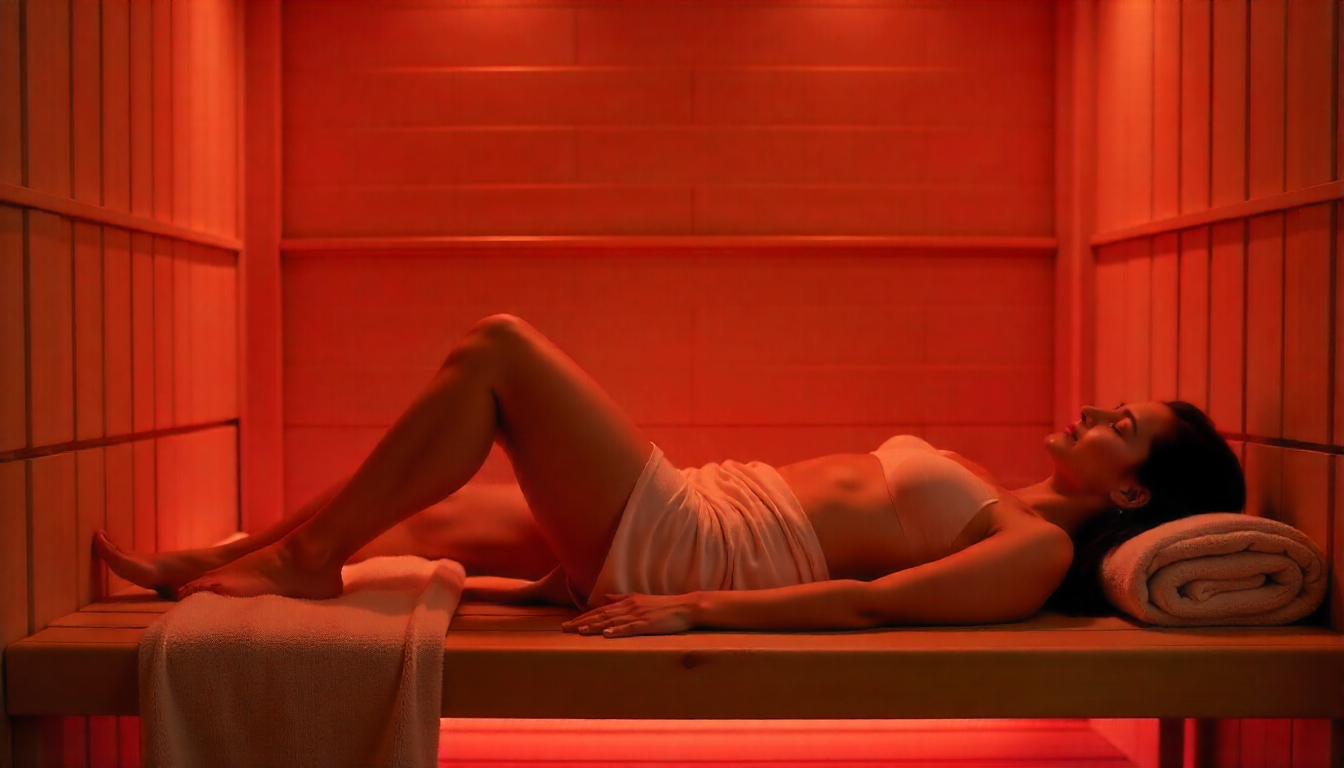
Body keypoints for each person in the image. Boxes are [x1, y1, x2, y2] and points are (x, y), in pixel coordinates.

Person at [97, 314, 1245, 638]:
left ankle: (301, 562)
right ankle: (237, 554)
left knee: (499, 351)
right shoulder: (1000, 491)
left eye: (1122, 426)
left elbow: (870, 605)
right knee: (432, 516)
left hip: (700, 543)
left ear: (1133, 493)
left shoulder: (1033, 551)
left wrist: (695, 606)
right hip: (703, 506)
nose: (1095, 413)